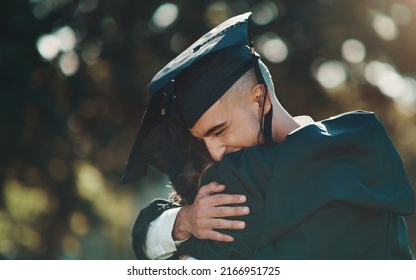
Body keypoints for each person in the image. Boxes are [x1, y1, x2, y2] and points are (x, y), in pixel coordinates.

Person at [121, 13, 414, 259]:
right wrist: (184, 221)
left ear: (259, 98)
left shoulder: (348, 160)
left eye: (219, 130)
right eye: (203, 139)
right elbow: (144, 236)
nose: (215, 152)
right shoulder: (238, 177)